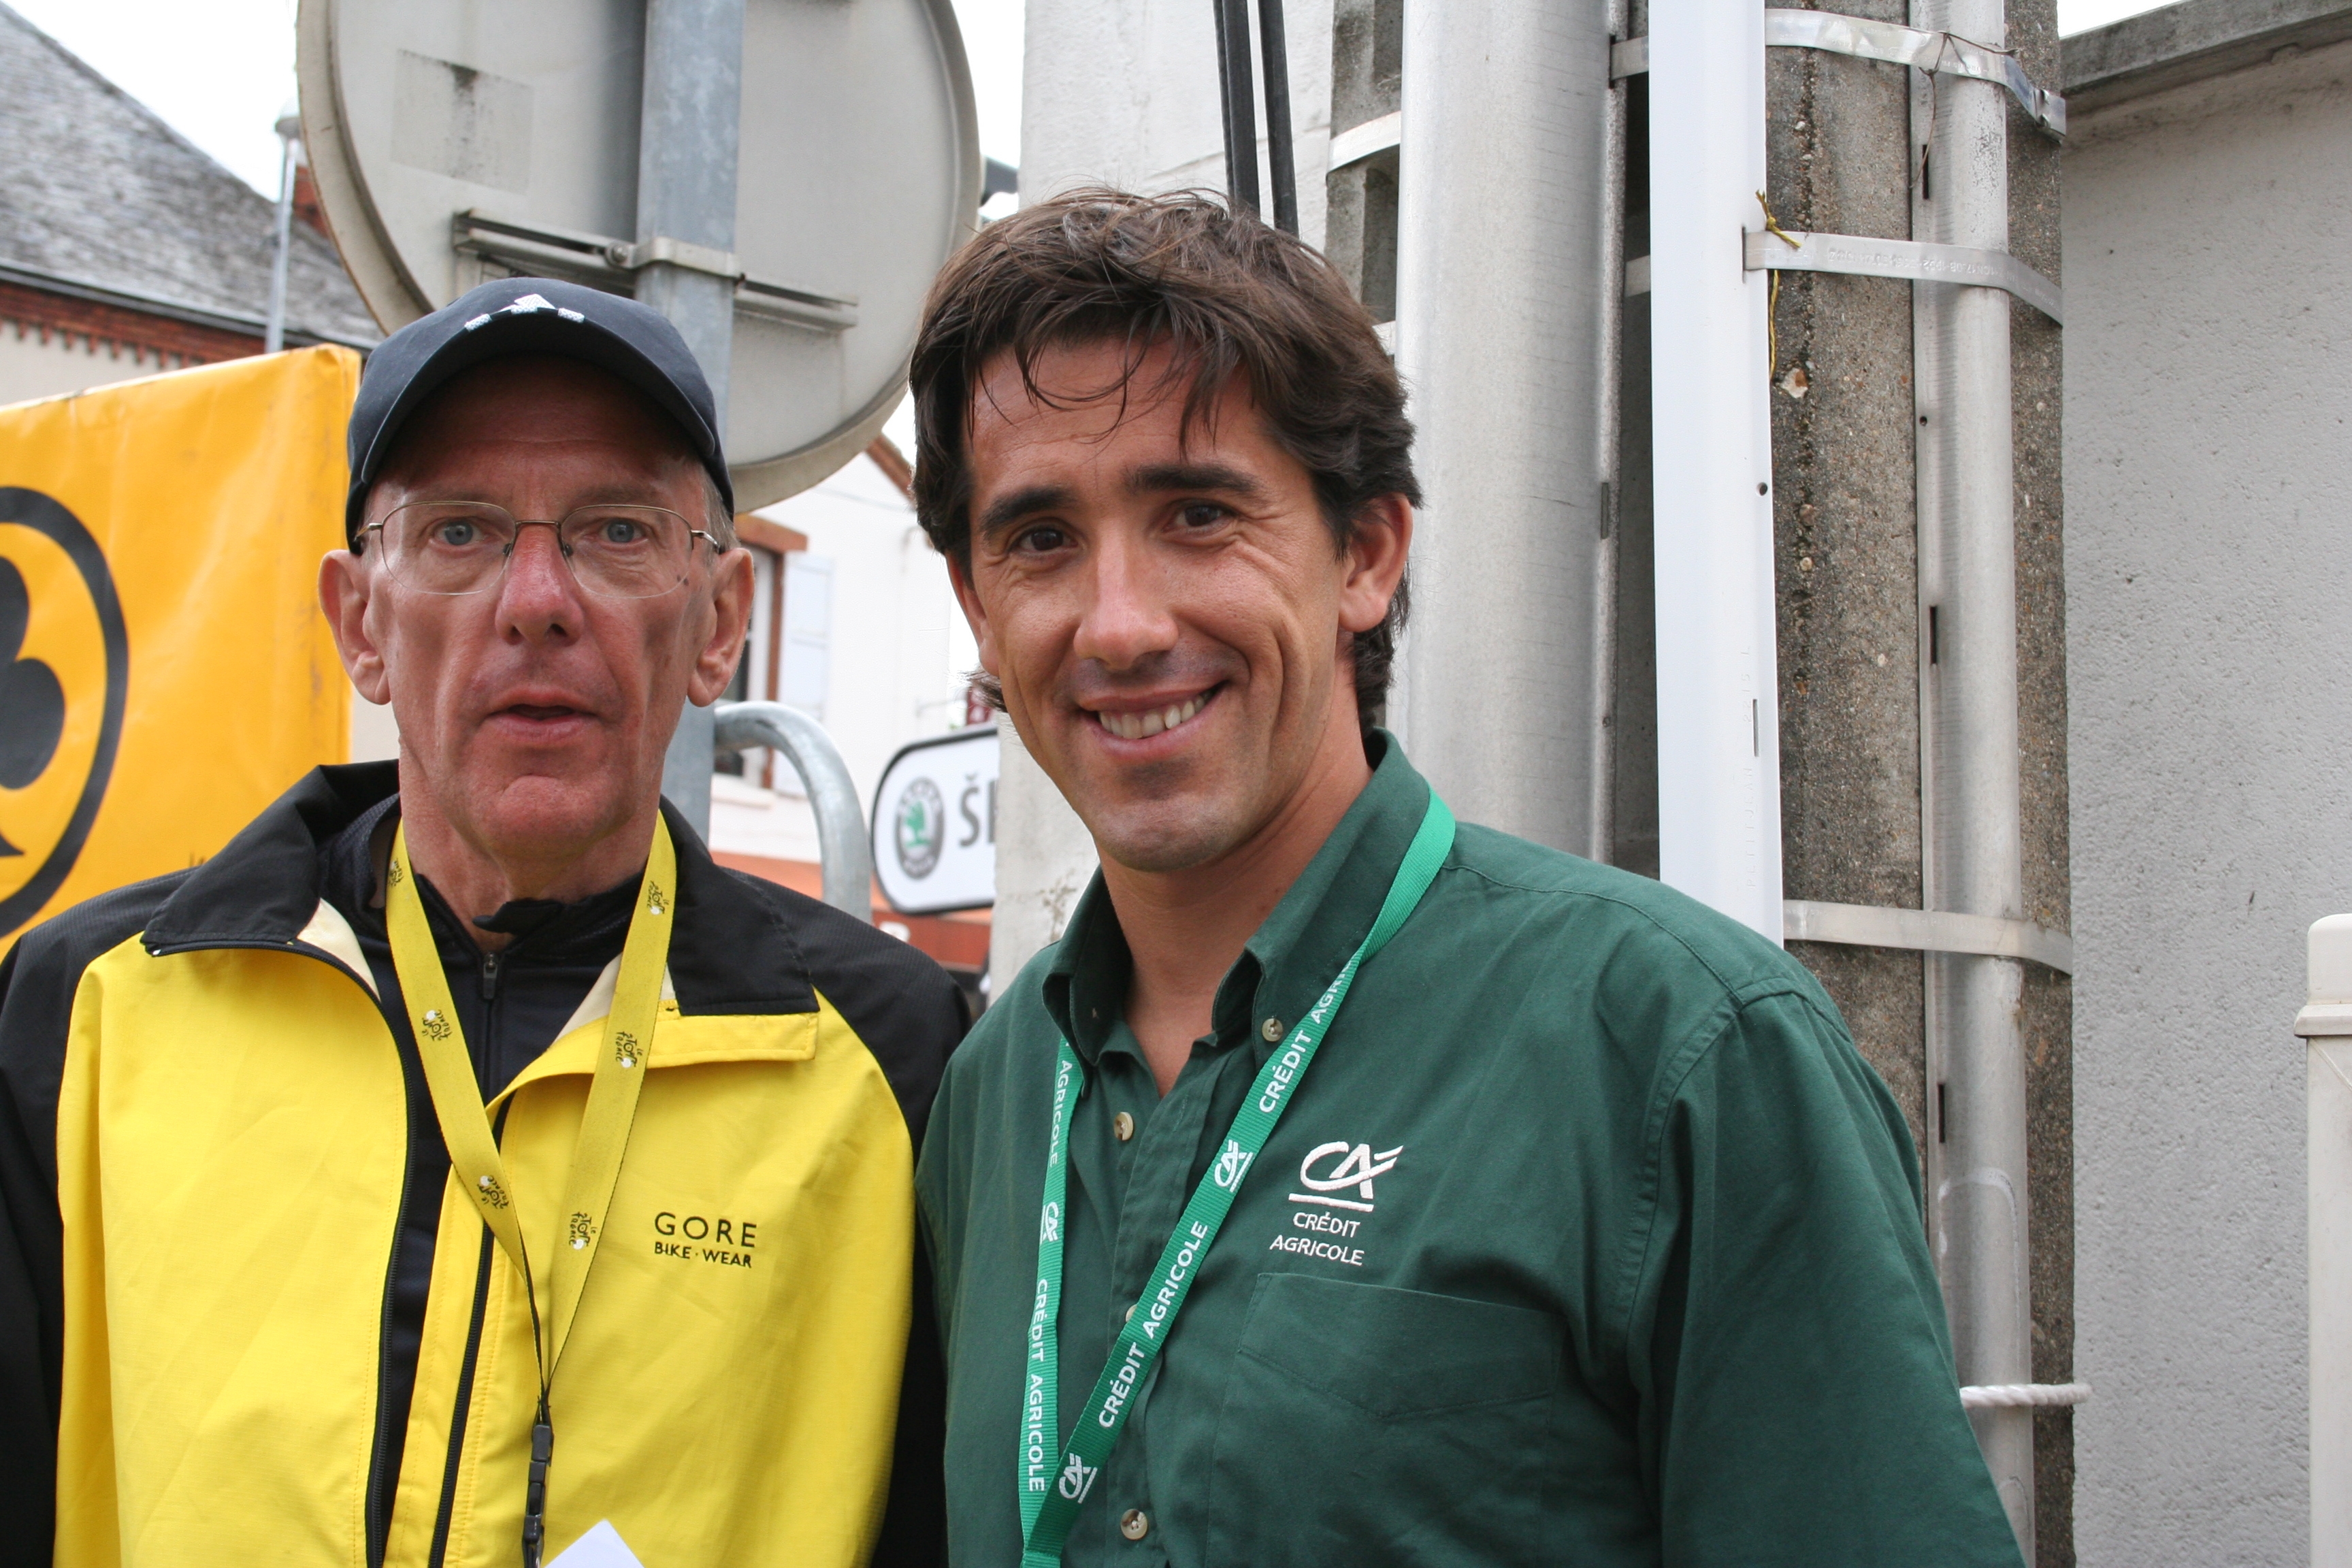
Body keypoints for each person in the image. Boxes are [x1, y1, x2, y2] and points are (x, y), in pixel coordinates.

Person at [909, 190, 2027, 1567]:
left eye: (1198, 514)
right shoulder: (993, 1093)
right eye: (1040, 539)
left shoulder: (1679, 1050)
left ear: (1365, 554)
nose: (1122, 623)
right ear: (979, 607)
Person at [0, 277, 962, 1567]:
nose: (536, 598)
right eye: (459, 531)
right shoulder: (92, 1010)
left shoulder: (891, 1058)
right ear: (361, 625)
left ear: (720, 622)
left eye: (618, 531)